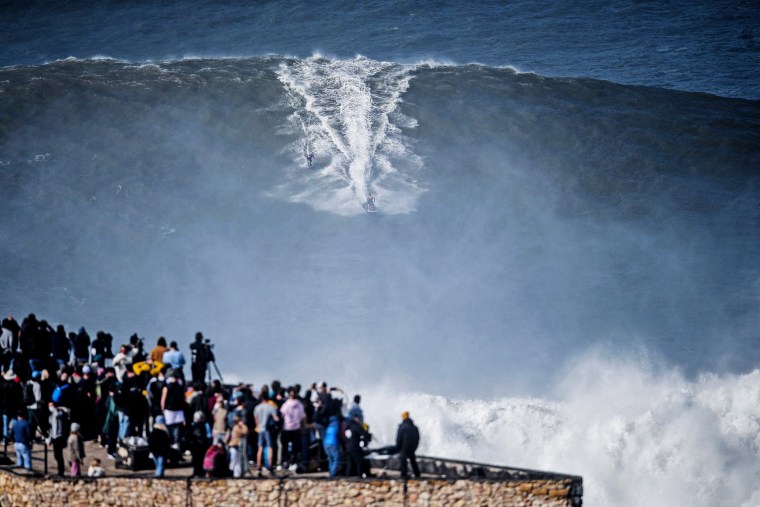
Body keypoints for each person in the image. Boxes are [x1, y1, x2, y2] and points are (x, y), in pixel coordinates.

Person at [253, 390, 279, 476]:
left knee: (260, 448)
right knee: (269, 447)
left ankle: (259, 467)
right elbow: (276, 419)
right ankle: (270, 467)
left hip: (260, 429)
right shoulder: (270, 407)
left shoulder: (257, 407)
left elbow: (256, 420)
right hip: (268, 430)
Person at [279, 387, 305, 469]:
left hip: (287, 427)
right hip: (296, 427)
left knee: (285, 447)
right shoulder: (300, 405)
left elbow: (281, 414)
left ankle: (285, 462)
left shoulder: (286, 405)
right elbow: (302, 416)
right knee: (295, 447)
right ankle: (294, 463)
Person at [395, 411, 420, 478]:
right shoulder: (414, 427)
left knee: (403, 460)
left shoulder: (402, 427)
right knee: (413, 460)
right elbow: (418, 438)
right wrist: (415, 447)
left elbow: (399, 438)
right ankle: (417, 474)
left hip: (404, 447)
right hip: (412, 448)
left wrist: (398, 447)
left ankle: (404, 474)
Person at [48, 402, 70, 476]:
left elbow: (57, 415)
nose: (50, 407)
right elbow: (51, 428)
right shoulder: (51, 415)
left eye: (51, 406)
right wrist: (50, 439)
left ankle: (61, 471)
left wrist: (54, 409)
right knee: (56, 455)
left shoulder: (59, 413)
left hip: (59, 437)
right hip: (54, 437)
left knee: (59, 455)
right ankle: (60, 471)